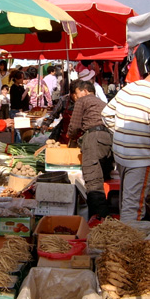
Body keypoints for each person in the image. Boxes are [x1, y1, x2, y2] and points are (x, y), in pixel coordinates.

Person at [101, 59, 150, 222]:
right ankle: (126, 243)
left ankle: (123, 235)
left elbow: (106, 114)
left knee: (126, 197)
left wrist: (121, 134)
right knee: (133, 206)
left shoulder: (128, 89)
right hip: (139, 159)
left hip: (121, 154)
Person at [68, 80, 114, 219]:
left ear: (84, 91)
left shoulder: (83, 100)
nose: (75, 98)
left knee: (93, 183)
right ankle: (108, 214)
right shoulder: (102, 103)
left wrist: (72, 138)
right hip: (108, 140)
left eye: (75, 94)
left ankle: (100, 221)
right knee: (104, 177)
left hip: (93, 139)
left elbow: (74, 126)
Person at [41, 79, 80, 145]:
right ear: (72, 93)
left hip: (79, 134)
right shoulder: (64, 100)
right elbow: (54, 113)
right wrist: (46, 124)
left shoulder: (84, 101)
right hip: (65, 133)